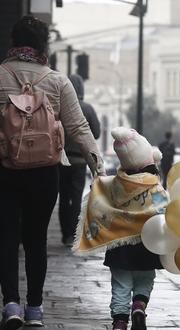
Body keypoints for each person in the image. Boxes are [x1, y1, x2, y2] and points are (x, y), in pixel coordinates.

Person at [0, 16, 104, 328]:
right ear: (43, 46)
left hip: (1, 167)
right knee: (36, 239)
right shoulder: (58, 81)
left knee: (6, 237)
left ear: (12, 43)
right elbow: (79, 128)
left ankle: (11, 305)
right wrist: (98, 168)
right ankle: (35, 310)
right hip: (44, 170)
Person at [104, 128, 167, 330]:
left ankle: (120, 322)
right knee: (145, 279)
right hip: (147, 244)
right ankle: (139, 305)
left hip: (120, 245)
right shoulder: (154, 187)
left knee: (121, 286)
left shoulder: (116, 185)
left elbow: (102, 206)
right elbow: (165, 210)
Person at [59, 74, 101, 247]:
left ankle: (66, 234)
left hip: (61, 160)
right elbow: (96, 133)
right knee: (76, 197)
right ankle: (75, 234)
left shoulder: (60, 106)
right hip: (80, 160)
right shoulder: (88, 109)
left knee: (63, 197)